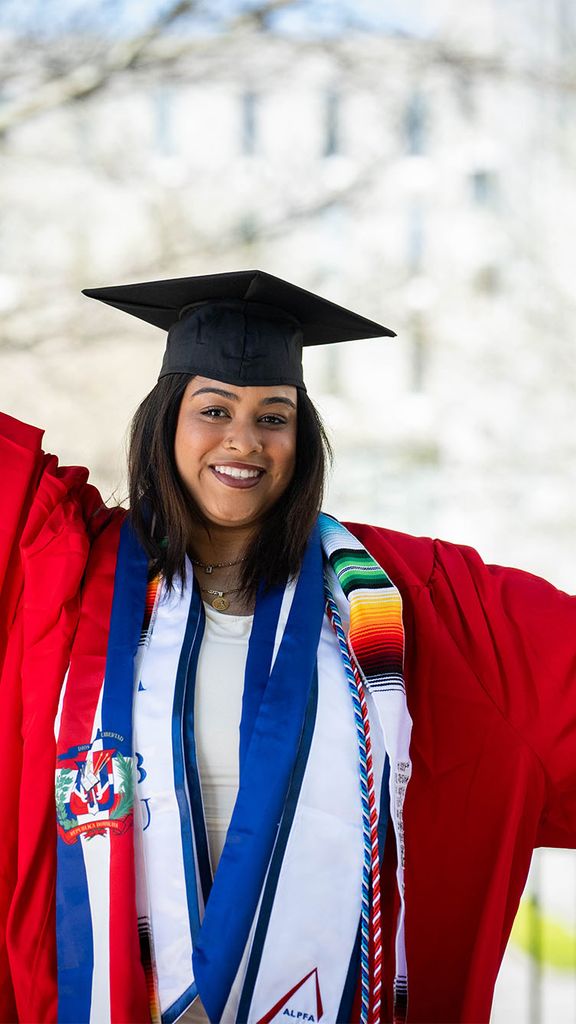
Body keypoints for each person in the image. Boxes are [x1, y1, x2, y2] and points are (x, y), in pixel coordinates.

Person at [0, 270, 575, 1024]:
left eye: (275, 416)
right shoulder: (67, 573)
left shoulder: (409, 600)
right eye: (214, 409)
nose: (244, 440)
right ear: (166, 419)